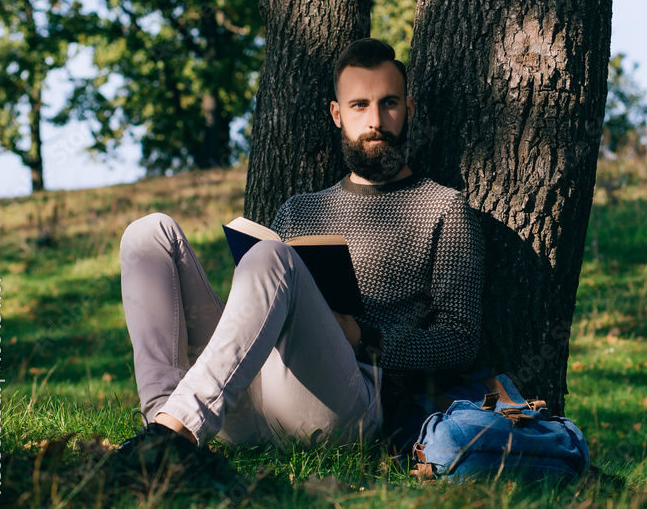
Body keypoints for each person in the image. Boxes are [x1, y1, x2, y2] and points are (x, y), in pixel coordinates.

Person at [115, 38, 484, 479]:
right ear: (337, 114)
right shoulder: (300, 209)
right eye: (360, 105)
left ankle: (174, 433)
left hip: (350, 405)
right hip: (253, 397)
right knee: (148, 234)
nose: (376, 121)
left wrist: (362, 336)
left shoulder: (444, 208)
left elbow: (460, 342)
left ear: (409, 108)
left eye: (389, 103)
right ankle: (159, 432)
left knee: (274, 258)